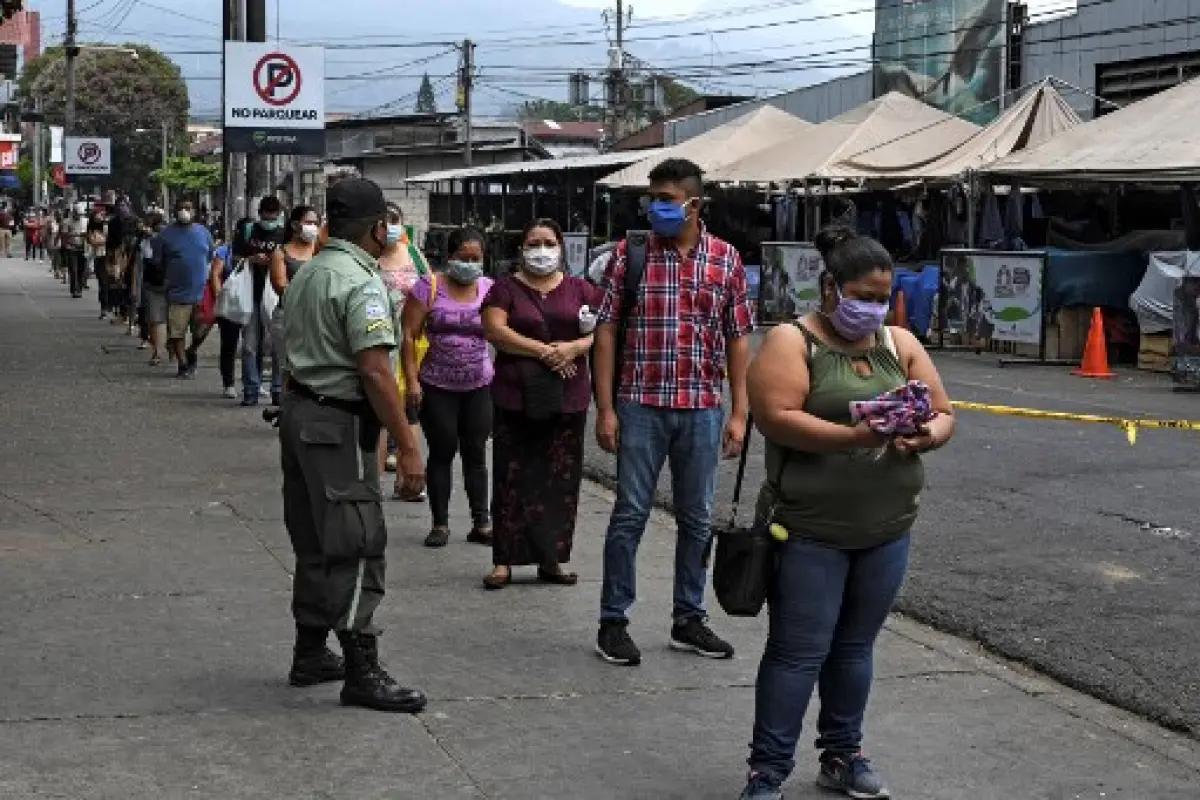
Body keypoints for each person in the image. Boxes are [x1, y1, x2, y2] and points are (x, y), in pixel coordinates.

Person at [737, 227, 957, 800]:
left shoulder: (899, 342)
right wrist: (852, 436)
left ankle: (842, 754)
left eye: (881, 297)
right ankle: (767, 772)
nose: (872, 307)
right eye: (862, 294)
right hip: (809, 530)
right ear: (829, 287)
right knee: (797, 652)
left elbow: (944, 412)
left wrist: (926, 436)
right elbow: (777, 416)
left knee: (856, 648)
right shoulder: (791, 341)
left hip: (887, 528)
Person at [593, 157, 754, 667]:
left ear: (694, 203)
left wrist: (739, 413)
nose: (657, 207)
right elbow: (605, 331)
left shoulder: (726, 260)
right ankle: (613, 621)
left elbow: (738, 339)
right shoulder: (631, 254)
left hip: (702, 409)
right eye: (653, 198)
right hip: (640, 404)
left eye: (666, 198)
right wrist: (605, 409)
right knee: (629, 516)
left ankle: (689, 617)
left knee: (698, 519)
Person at [279, 177, 427, 713]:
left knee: (316, 540)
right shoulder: (360, 282)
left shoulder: (310, 272)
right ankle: (362, 671)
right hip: (337, 424)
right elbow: (375, 371)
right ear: (375, 228)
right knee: (357, 541)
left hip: (300, 415)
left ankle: (311, 652)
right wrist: (408, 445)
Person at [480, 219, 598, 590]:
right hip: (516, 395)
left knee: (559, 480)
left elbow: (601, 332)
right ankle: (504, 560)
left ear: (561, 248)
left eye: (549, 243)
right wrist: (544, 352)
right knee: (511, 475)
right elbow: (495, 330)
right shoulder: (504, 289)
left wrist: (575, 348)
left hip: (568, 396)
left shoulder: (582, 290)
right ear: (521, 249)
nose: (542, 250)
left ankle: (553, 559)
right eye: (534, 243)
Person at [400, 226, 494, 549]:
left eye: (476, 258)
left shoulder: (489, 289)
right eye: (463, 257)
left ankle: (481, 521)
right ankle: (440, 523)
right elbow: (409, 336)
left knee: (476, 452)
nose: (469, 264)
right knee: (442, 452)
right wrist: (411, 380)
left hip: (479, 384)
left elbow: (502, 331)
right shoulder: (428, 287)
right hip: (437, 385)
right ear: (450, 256)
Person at [377, 203, 427, 499]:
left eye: (395, 220)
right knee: (383, 410)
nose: (391, 227)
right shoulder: (369, 259)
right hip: (380, 343)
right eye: (385, 222)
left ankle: (408, 482)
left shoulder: (415, 256)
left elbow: (430, 289)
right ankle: (374, 484)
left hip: (411, 343)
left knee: (411, 410)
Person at [263, 205, 320, 419]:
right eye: (309, 222)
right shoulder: (281, 253)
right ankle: (288, 412)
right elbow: (280, 286)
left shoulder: (321, 250)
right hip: (289, 317)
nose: (313, 227)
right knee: (289, 368)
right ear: (295, 225)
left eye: (316, 223)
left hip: (318, 317)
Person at [233, 196, 288, 406]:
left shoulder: (285, 233)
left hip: (277, 295)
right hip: (251, 293)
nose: (271, 219)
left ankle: (277, 389)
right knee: (249, 345)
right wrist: (252, 260)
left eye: (274, 215)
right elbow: (235, 257)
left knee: (277, 346)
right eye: (267, 214)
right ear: (260, 213)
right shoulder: (249, 231)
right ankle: (250, 390)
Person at [160, 199, 215, 379]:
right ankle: (183, 364)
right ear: (174, 211)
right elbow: (159, 261)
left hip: (201, 293)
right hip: (177, 294)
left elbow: (209, 257)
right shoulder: (166, 234)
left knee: (202, 329)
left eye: (188, 208)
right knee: (177, 331)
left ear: (194, 212)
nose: (184, 211)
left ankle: (192, 351)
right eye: (180, 208)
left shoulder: (204, 233)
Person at [208, 242, 241, 398]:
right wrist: (220, 298)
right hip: (229, 305)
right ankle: (229, 383)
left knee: (252, 346)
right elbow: (215, 274)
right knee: (229, 345)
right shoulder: (225, 251)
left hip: (252, 303)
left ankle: (253, 383)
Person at [140, 214, 169, 366]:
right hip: (167, 283)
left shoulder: (147, 241)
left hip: (155, 283)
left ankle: (158, 352)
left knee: (156, 320)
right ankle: (165, 350)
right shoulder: (172, 238)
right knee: (163, 319)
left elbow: (145, 260)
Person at [64, 203, 89, 298]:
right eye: (76, 214)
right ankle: (74, 289)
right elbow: (65, 235)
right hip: (72, 248)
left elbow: (89, 234)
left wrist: (85, 236)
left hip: (83, 248)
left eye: (80, 214)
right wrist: (75, 235)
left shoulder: (86, 221)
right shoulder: (68, 222)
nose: (78, 216)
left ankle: (79, 289)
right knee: (73, 269)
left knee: (81, 270)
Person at [46, 211, 62, 280]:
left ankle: (57, 271)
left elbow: (49, 234)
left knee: (57, 257)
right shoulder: (51, 224)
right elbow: (49, 233)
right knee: (56, 257)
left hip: (57, 241)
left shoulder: (57, 224)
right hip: (55, 241)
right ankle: (57, 271)